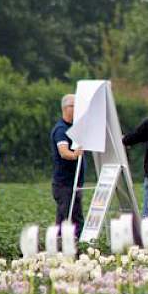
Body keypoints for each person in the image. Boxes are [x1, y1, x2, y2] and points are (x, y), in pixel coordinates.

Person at [51, 94, 84, 235]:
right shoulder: (61, 130)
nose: (77, 109)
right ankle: (61, 245)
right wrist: (75, 154)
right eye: (74, 106)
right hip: (64, 184)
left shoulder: (74, 128)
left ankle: (71, 245)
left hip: (74, 183)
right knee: (66, 218)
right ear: (66, 108)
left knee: (75, 217)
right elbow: (64, 152)